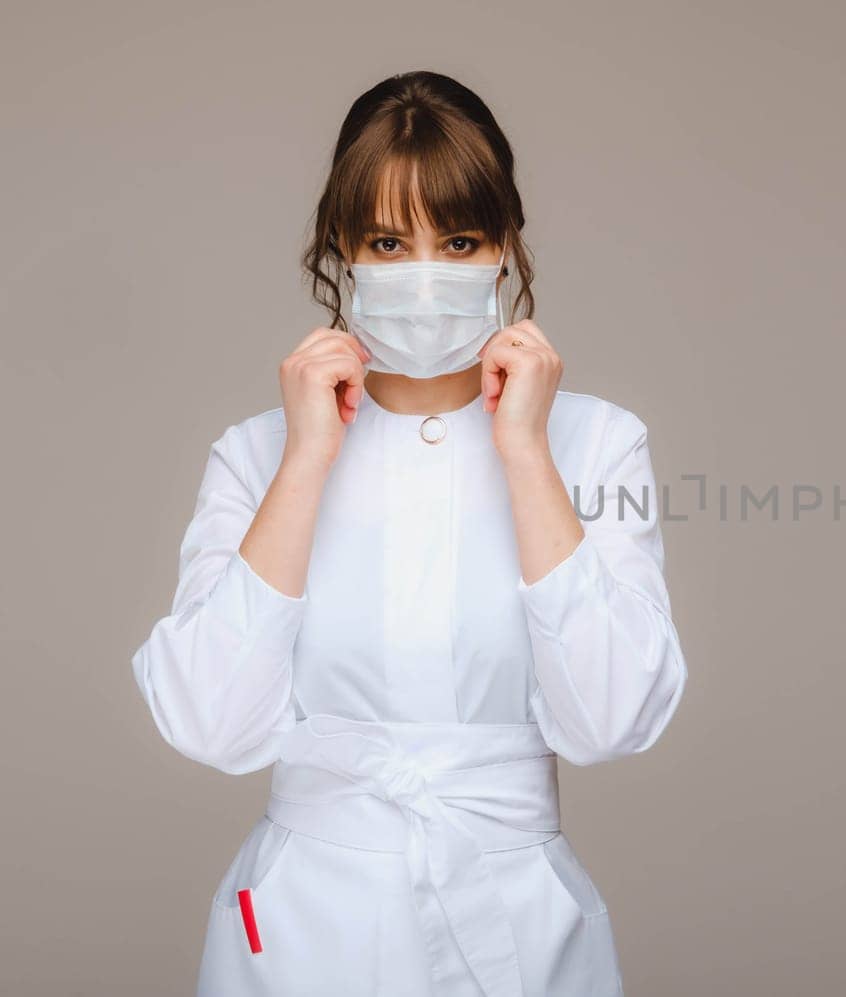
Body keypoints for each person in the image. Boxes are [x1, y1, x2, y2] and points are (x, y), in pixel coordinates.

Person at [128, 70, 688, 996]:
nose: (424, 272)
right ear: (343, 251)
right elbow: (209, 724)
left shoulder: (595, 443)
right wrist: (306, 460)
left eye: (458, 239)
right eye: (389, 241)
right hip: (305, 928)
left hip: (516, 920)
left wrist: (526, 455)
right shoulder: (254, 455)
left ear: (504, 250)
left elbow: (613, 717)